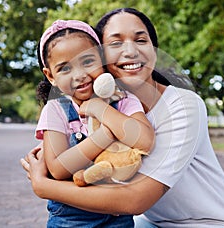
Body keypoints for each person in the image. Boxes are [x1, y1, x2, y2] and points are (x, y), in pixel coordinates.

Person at [21, 8, 224, 228]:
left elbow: (135, 200)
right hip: (150, 222)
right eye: (116, 43)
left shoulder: (181, 105)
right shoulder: (77, 107)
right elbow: (60, 162)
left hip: (206, 224)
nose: (130, 51)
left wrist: (44, 186)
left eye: (140, 40)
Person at [32, 19, 154, 227]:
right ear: (50, 76)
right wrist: (105, 135)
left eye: (88, 61)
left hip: (118, 213)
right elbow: (58, 169)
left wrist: (100, 109)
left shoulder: (123, 99)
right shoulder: (55, 110)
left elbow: (145, 140)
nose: (79, 75)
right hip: (71, 217)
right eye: (64, 68)